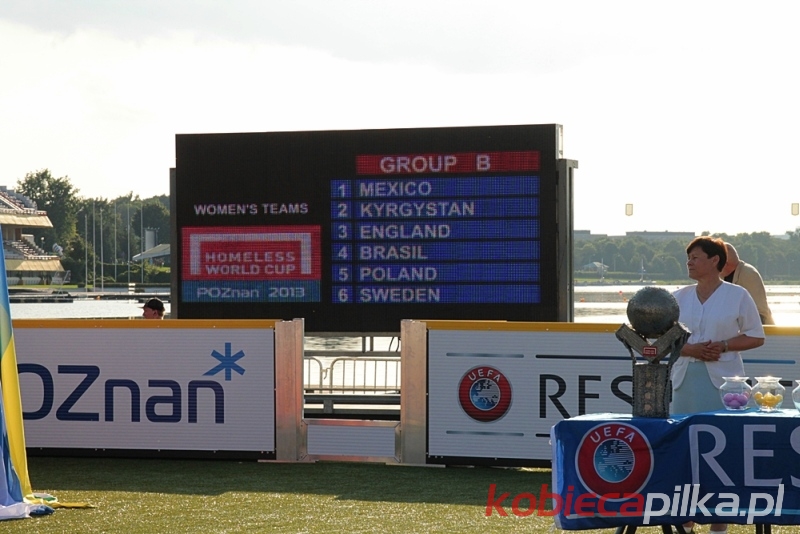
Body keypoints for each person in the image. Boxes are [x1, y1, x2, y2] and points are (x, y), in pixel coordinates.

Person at [671, 236, 765, 534]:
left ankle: (718, 525)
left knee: (720, 452)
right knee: (685, 450)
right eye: (688, 258)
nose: (689, 263)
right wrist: (689, 350)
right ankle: (685, 521)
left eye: (695, 257)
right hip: (684, 380)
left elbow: (756, 336)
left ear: (715, 261)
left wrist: (723, 345)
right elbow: (663, 339)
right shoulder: (677, 297)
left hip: (725, 385)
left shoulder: (738, 295)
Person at [720, 242, 775, 325]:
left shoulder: (748, 274)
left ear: (725, 264)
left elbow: (760, 312)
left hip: (759, 331)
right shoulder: (725, 276)